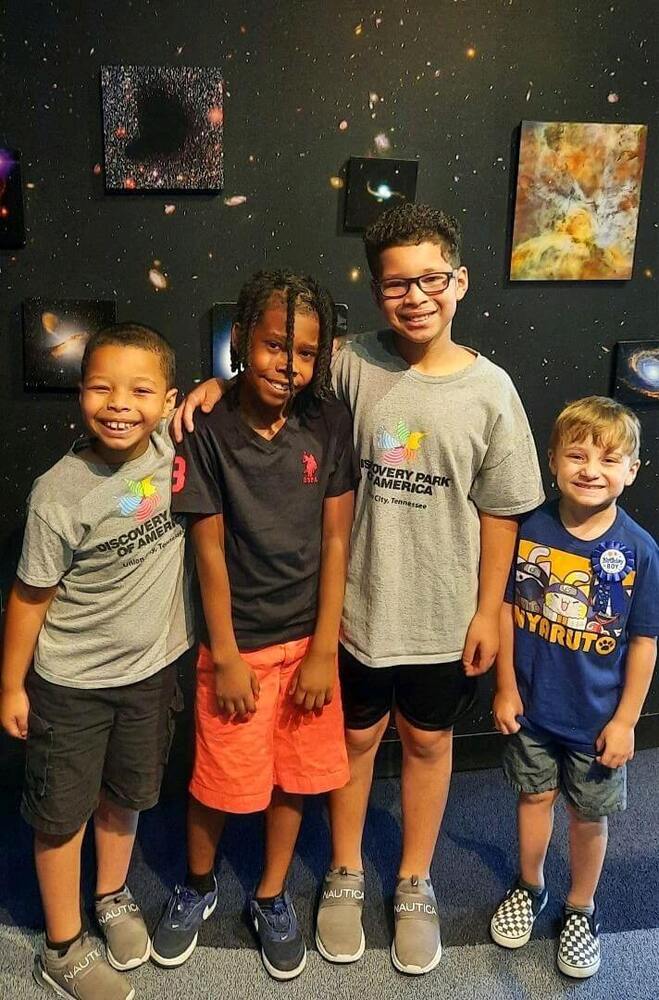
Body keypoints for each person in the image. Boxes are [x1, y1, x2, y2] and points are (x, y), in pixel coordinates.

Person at [173, 203, 545, 975]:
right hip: (352, 616)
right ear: (376, 293)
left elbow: (502, 511)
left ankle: (413, 879)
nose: (414, 296)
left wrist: (486, 610)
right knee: (350, 742)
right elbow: (277, 365)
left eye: (429, 279)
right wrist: (211, 387)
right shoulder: (349, 363)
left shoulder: (492, 390)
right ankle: (343, 870)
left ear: (459, 281)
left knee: (429, 741)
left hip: (443, 615)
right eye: (394, 284)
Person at [150, 270, 355, 981]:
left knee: (293, 779)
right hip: (235, 645)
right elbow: (206, 549)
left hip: (308, 644)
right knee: (216, 780)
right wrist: (228, 655)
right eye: (273, 346)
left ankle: (270, 895)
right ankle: (199, 885)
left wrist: (325, 648)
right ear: (241, 339)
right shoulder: (206, 426)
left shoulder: (329, 420)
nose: (287, 366)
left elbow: (336, 541)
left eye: (303, 352)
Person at [0, 323, 193, 1000]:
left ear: (168, 401)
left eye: (140, 390)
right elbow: (29, 598)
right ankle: (61, 947)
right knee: (62, 817)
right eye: (102, 387)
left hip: (150, 674)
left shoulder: (176, 444)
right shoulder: (60, 492)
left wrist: (216, 391)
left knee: (127, 797)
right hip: (72, 687)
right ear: (80, 395)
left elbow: (222, 402)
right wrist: (11, 687)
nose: (120, 403)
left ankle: (110, 895)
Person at [490, 396, 658, 979]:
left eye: (610, 459)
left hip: (597, 722)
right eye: (578, 454)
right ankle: (529, 885)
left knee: (589, 817)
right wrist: (505, 687)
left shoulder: (640, 551)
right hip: (533, 711)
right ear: (553, 460)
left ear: (632, 471)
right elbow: (509, 611)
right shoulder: (528, 528)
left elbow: (643, 642)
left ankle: (580, 908)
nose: (591, 469)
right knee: (532, 799)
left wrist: (626, 721)